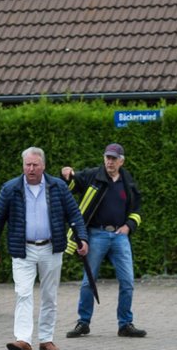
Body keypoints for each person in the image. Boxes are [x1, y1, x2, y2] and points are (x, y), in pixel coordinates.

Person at [0, 146, 89, 350]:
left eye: (35, 165)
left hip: (51, 248)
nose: (31, 168)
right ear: (23, 166)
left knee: (49, 295)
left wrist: (83, 238)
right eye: (27, 164)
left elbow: (75, 215)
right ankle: (23, 339)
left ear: (43, 166)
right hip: (23, 250)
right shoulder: (10, 188)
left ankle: (46, 338)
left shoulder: (58, 187)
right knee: (23, 293)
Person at [61, 142, 145, 338]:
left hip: (119, 236)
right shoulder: (93, 175)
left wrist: (129, 226)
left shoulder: (128, 181)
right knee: (88, 281)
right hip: (96, 234)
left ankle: (125, 324)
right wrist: (67, 174)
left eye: (114, 158)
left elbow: (137, 209)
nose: (110, 161)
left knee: (128, 281)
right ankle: (83, 323)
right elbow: (71, 185)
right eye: (107, 157)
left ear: (121, 161)